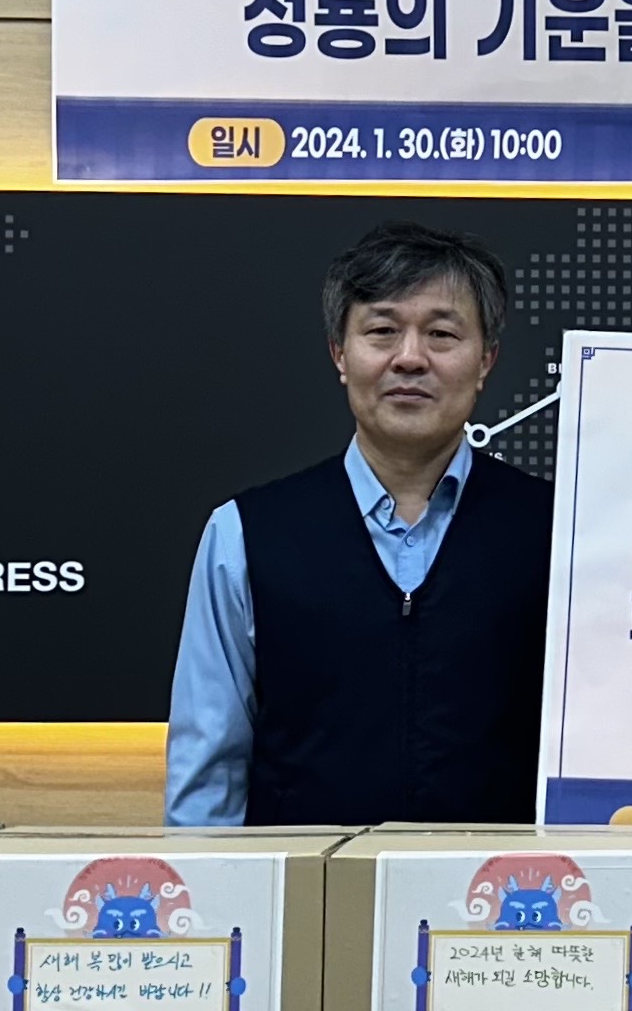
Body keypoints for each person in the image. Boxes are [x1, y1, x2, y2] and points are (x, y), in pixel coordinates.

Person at [164, 222, 552, 826]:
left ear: (485, 361)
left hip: (501, 885)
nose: (410, 358)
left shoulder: (559, 533)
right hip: (304, 884)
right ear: (340, 355)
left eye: (442, 334)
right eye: (382, 331)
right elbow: (208, 773)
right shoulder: (245, 535)